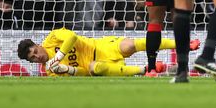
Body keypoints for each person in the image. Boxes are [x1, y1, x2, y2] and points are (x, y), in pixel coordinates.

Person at [17, 27, 199, 77]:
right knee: (93, 68)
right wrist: (68, 70)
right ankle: (146, 70)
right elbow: (82, 74)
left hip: (102, 46)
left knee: (129, 46)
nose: (36, 56)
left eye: (34, 51)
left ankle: (182, 44)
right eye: (32, 59)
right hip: (98, 65)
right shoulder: (51, 71)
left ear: (37, 45)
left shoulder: (53, 38)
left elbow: (72, 37)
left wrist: (59, 56)